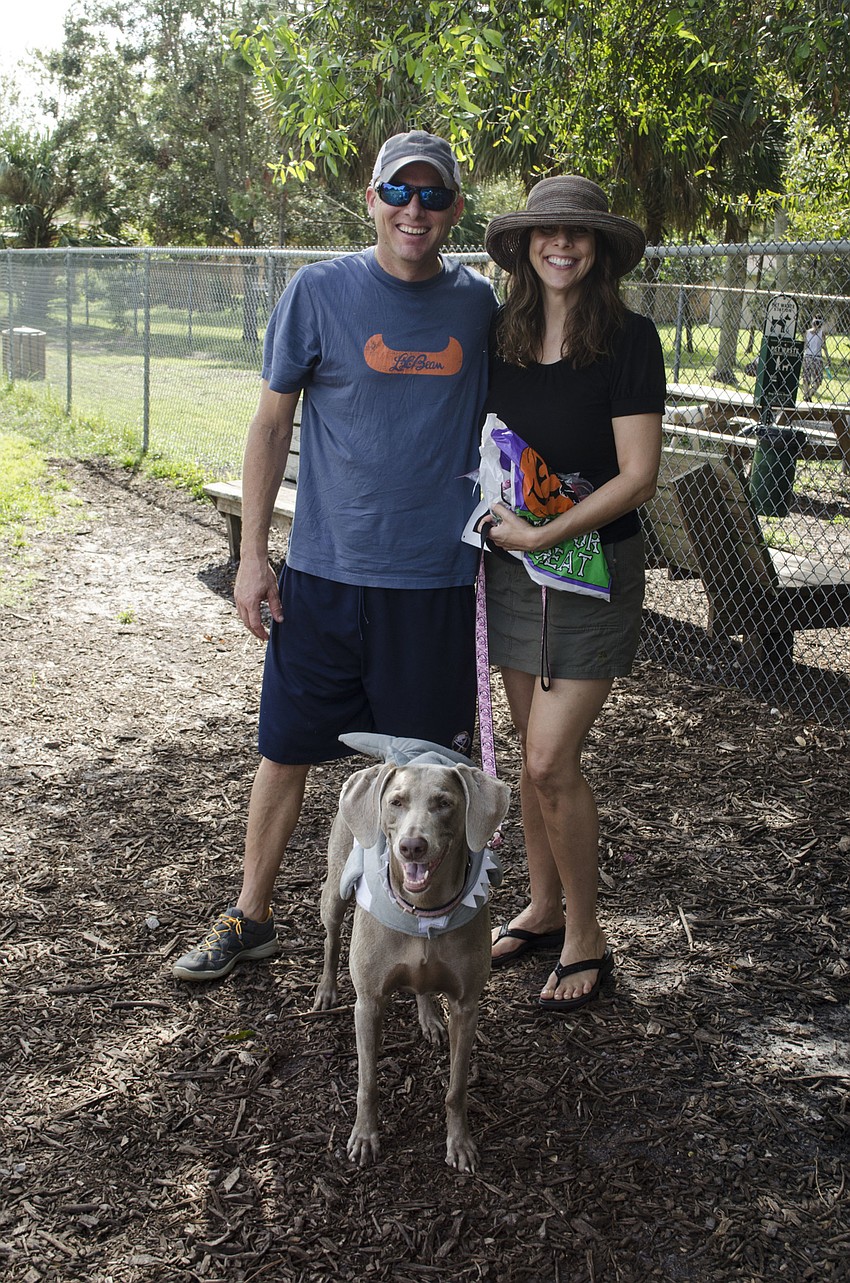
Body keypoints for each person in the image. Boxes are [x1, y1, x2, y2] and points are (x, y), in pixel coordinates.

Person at [173, 131, 497, 982]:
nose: (415, 211)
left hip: (433, 585)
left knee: (430, 778)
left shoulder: (480, 308)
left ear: (455, 208)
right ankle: (252, 914)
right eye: (400, 192)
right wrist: (253, 555)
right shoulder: (319, 292)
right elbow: (272, 423)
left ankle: (424, 941)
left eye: (433, 196)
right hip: (322, 578)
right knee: (284, 748)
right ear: (373, 198)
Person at [480, 176, 665, 1011]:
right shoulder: (501, 334)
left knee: (553, 759)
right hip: (515, 572)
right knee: (530, 758)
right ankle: (545, 908)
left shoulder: (630, 340)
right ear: (523, 245)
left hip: (591, 574)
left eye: (578, 233)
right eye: (546, 231)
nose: (562, 243)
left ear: (598, 248)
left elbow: (639, 477)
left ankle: (589, 936)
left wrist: (544, 535)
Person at [802, 316, 828, 401]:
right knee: (812, 379)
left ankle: (807, 395)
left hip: (811, 357)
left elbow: (805, 345)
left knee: (811, 379)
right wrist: (827, 358)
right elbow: (824, 346)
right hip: (813, 357)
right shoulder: (817, 333)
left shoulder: (811, 333)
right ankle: (808, 395)